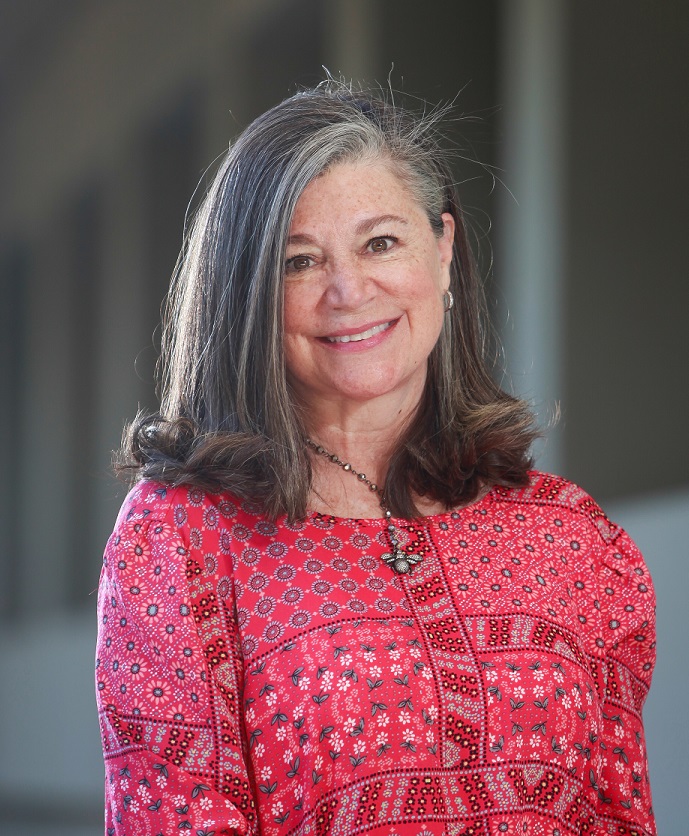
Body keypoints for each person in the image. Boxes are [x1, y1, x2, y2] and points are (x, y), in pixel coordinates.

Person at [95, 82, 656, 836]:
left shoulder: (570, 538)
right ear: (249, 294)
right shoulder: (184, 539)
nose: (347, 290)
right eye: (298, 262)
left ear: (444, 250)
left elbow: (617, 816)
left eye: (380, 242)